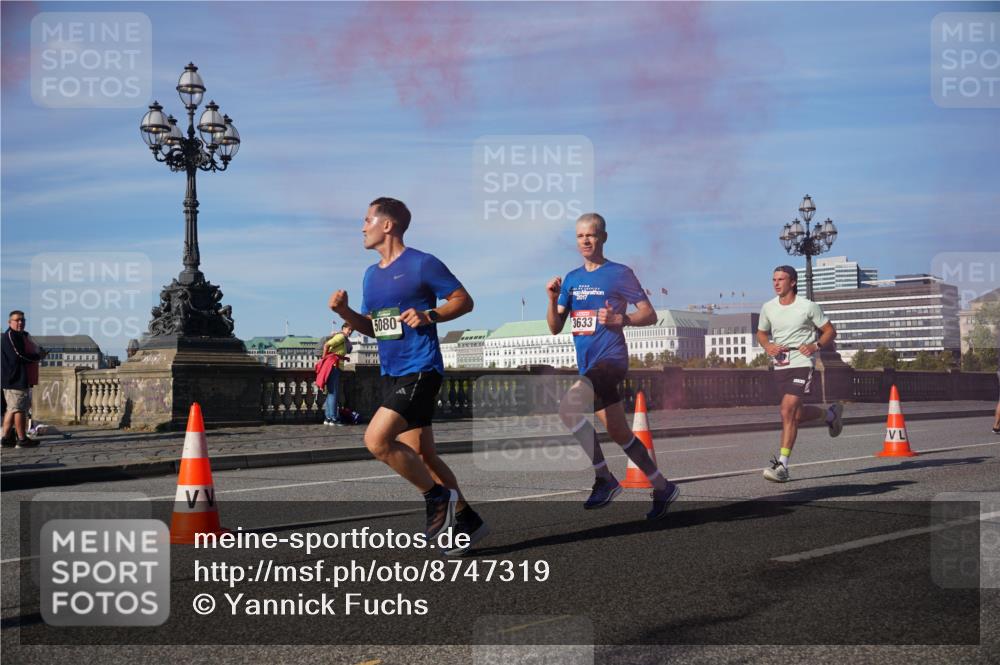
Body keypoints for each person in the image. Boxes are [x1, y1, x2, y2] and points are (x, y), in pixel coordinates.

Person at [329, 197, 488, 554]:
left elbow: (464, 300)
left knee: (376, 440)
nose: (362, 227)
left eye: (367, 219)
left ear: (388, 225)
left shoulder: (422, 263)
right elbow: (372, 328)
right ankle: (468, 520)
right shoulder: (371, 275)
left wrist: (430, 314)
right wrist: (345, 311)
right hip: (392, 370)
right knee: (423, 455)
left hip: (421, 368)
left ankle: (436, 498)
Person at [546, 213, 680, 520]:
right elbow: (555, 327)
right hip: (588, 365)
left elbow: (649, 314)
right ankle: (663, 487)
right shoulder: (572, 279)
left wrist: (623, 319)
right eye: (580, 236)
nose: (585, 241)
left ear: (603, 237)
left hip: (612, 360)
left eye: (591, 235)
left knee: (567, 409)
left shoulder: (619, 273)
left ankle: (603, 478)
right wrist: (552, 300)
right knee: (620, 432)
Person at [757, 266, 844, 482]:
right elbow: (761, 333)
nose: (776, 283)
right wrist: (768, 345)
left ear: (793, 282)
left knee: (786, 410)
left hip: (802, 362)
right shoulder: (768, 307)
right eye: (774, 279)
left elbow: (830, 331)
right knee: (795, 415)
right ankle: (831, 415)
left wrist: (815, 346)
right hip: (781, 365)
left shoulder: (808, 306)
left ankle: (782, 466)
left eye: (781, 279)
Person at [2, 311, 44, 448]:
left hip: (17, 378)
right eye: (17, 320)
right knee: (19, 409)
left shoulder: (21, 335)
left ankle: (6, 437)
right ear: (10, 322)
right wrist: (37, 357)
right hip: (15, 378)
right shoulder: (10, 336)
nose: (20, 322)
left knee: (12, 409)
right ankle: (22, 438)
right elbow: (18, 355)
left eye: (23, 320)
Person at [320, 322, 353, 426]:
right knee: (333, 393)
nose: (350, 332)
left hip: (333, 366)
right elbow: (327, 345)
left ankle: (328, 418)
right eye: (349, 329)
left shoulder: (342, 337)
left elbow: (348, 349)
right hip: (334, 366)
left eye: (352, 330)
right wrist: (324, 358)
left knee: (330, 393)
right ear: (344, 328)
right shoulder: (341, 337)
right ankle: (334, 418)